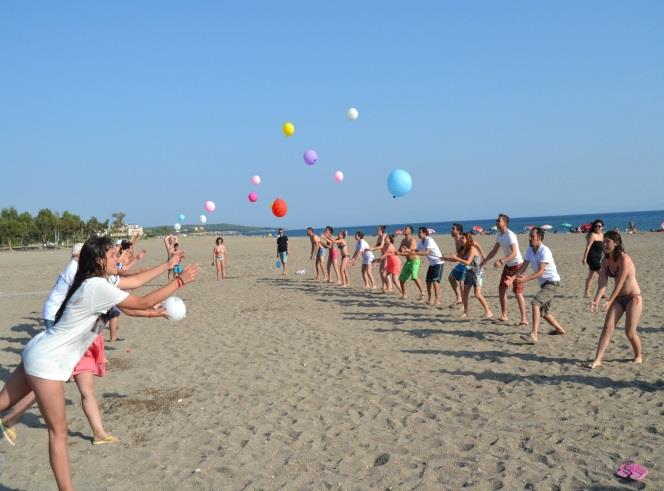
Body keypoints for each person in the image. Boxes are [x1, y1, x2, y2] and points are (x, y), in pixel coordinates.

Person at [0, 237, 200, 490]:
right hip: (47, 362)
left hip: (39, 348)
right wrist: (179, 281)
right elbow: (141, 301)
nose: (118, 258)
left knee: (2, 403)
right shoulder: (96, 287)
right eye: (113, 254)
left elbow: (137, 283)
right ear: (98, 260)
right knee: (58, 433)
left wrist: (167, 264)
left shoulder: (100, 281)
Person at [589, 231, 643, 369]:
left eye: (608, 242)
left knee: (629, 332)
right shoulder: (605, 261)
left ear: (616, 243)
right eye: (604, 241)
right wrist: (596, 300)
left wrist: (609, 301)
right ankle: (598, 359)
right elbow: (602, 284)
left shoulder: (625, 259)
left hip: (633, 298)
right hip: (619, 298)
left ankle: (638, 355)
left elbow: (620, 283)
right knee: (607, 328)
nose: (605, 244)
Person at [510, 227, 565, 343]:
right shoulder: (530, 250)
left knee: (535, 303)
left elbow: (541, 271)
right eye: (529, 235)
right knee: (544, 313)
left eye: (532, 236)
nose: (529, 238)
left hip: (552, 283)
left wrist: (525, 279)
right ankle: (560, 329)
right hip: (544, 284)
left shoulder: (545, 251)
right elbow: (523, 267)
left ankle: (534, 335)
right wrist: (512, 278)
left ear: (539, 238)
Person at [482, 214, 528, 326]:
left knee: (518, 293)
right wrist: (485, 260)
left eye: (498, 221)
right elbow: (494, 250)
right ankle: (504, 315)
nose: (496, 222)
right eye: (496, 220)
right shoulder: (499, 235)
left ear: (505, 223)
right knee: (501, 289)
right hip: (508, 266)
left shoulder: (510, 235)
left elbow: (514, 253)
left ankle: (524, 319)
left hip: (518, 265)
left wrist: (501, 261)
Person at [444, 233, 493, 319]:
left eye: (463, 238)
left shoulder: (472, 249)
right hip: (469, 272)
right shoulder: (463, 249)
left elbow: (467, 262)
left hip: (477, 273)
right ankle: (465, 313)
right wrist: (446, 259)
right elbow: (456, 259)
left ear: (467, 240)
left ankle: (488, 312)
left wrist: (456, 258)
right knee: (465, 293)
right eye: (461, 238)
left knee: (477, 294)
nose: (460, 239)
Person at [413, 227, 444, 305]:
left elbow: (427, 253)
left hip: (438, 262)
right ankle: (430, 299)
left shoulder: (429, 240)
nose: (418, 234)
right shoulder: (421, 242)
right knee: (428, 281)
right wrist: (408, 251)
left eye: (420, 232)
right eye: (418, 232)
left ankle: (437, 300)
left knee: (435, 281)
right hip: (432, 264)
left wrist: (415, 253)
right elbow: (415, 251)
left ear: (425, 233)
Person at [396, 225, 424, 300]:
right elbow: (399, 250)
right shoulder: (403, 240)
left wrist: (400, 253)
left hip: (415, 261)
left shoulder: (412, 240)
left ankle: (422, 292)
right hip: (408, 261)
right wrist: (396, 252)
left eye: (406, 229)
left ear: (410, 231)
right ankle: (404, 294)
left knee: (414, 276)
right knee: (401, 279)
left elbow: (410, 253)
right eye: (404, 228)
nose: (404, 229)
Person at [582, 219, 604, 297]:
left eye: (599, 226)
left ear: (602, 227)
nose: (597, 227)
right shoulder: (592, 235)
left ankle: (586, 293)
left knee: (591, 276)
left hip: (598, 258)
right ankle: (602, 293)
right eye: (596, 226)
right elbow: (588, 247)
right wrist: (584, 258)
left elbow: (603, 248)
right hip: (592, 258)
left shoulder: (602, 235)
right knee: (602, 275)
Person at [447, 223, 466, 308]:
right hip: (462, 263)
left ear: (458, 231)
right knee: (451, 277)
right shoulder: (456, 240)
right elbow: (458, 257)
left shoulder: (462, 239)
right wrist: (446, 259)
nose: (451, 230)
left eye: (453, 229)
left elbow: (473, 249)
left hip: (469, 263)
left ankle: (463, 303)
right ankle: (459, 298)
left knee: (462, 282)